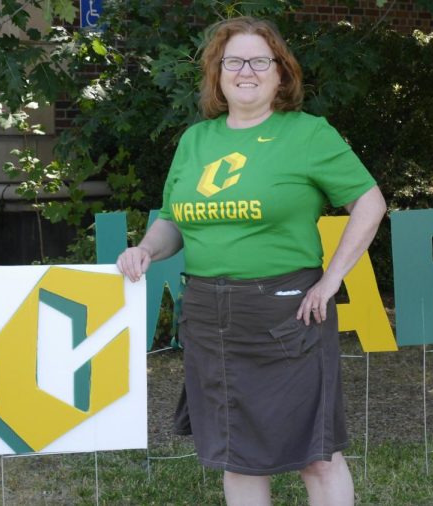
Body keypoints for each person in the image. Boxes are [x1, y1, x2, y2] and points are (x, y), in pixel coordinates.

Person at [116, 16, 386, 506]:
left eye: (260, 61)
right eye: (233, 61)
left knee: (317, 456)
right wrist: (147, 248)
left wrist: (330, 282)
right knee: (235, 453)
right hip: (208, 316)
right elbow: (174, 219)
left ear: (280, 73)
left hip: (288, 312)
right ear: (217, 74)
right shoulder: (196, 141)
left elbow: (370, 203)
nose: (247, 71)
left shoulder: (308, 134)